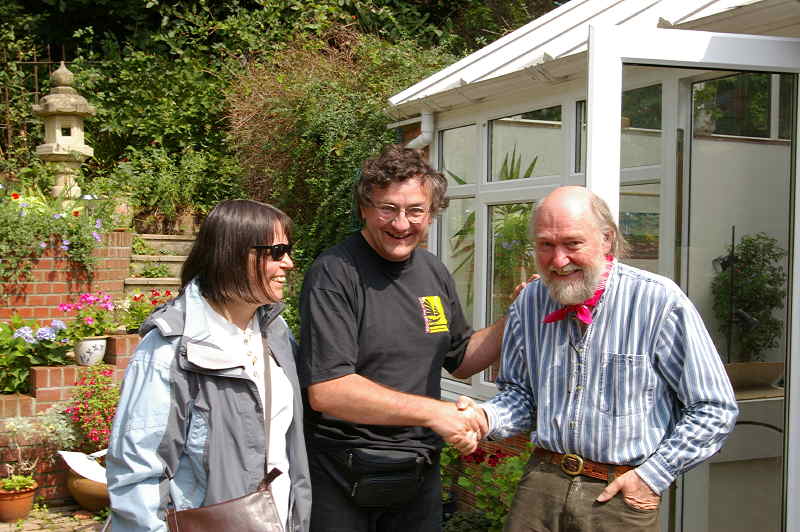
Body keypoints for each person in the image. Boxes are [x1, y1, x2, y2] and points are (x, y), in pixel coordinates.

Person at [465, 186, 738, 532]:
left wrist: (653, 475)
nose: (558, 260)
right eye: (546, 245)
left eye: (572, 243)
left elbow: (713, 407)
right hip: (541, 486)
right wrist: (482, 418)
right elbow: (521, 395)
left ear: (607, 239)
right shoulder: (530, 301)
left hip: (619, 496)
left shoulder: (658, 301)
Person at [298, 144, 505, 532]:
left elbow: (461, 359)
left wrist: (514, 318)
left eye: (415, 211)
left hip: (417, 475)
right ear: (364, 208)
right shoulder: (334, 274)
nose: (401, 223)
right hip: (345, 475)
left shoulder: (432, 271)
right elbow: (328, 390)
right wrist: (436, 413)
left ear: (431, 213)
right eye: (388, 209)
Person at [107, 199, 311, 532]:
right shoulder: (171, 348)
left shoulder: (276, 332)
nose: (288, 262)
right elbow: (138, 473)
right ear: (234, 254)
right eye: (277, 252)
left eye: (288, 251)